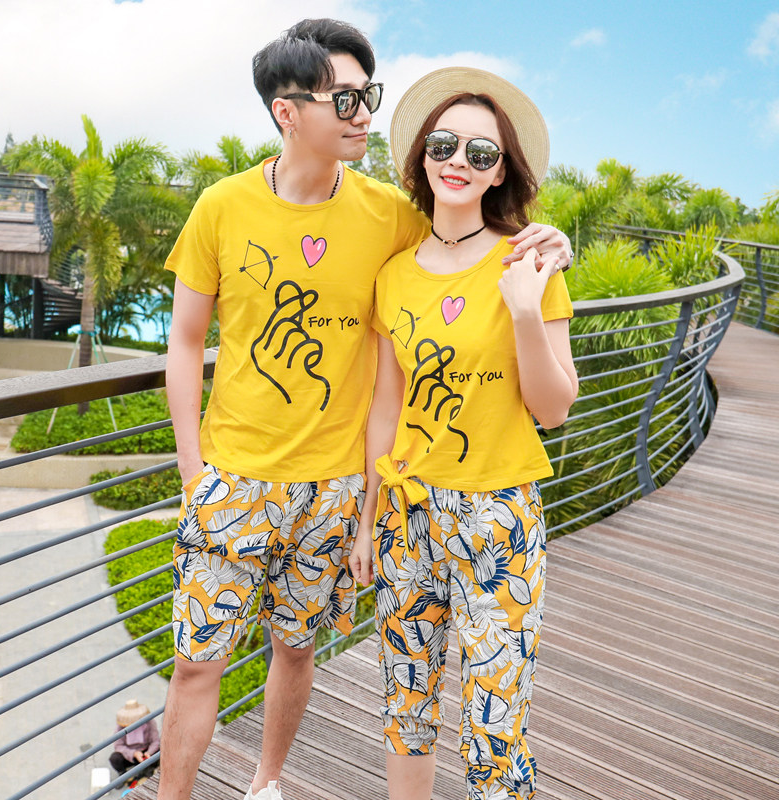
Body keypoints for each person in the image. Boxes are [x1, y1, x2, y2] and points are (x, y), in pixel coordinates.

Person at [160, 18, 573, 800]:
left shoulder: (393, 217)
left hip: (357, 492)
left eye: (367, 96)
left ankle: (267, 784)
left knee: (311, 654)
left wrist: (549, 248)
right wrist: (193, 473)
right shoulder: (223, 207)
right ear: (287, 112)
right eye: (345, 99)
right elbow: (185, 342)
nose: (363, 114)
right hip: (247, 482)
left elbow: (474, 236)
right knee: (203, 665)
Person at [349, 67, 579, 800]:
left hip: (498, 517)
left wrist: (524, 311)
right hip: (408, 514)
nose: (459, 161)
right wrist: (368, 519)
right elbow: (386, 409)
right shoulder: (394, 275)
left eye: (481, 152)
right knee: (406, 707)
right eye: (444, 144)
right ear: (422, 154)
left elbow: (555, 407)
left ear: (500, 170)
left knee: (494, 727)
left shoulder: (531, 262)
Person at [110, 699, 160, 784]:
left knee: (159, 751)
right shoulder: (120, 727)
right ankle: (123, 775)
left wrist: (149, 752)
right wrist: (134, 753)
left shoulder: (150, 723)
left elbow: (155, 741)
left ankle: (148, 770)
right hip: (129, 754)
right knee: (115, 758)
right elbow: (118, 746)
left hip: (146, 751)